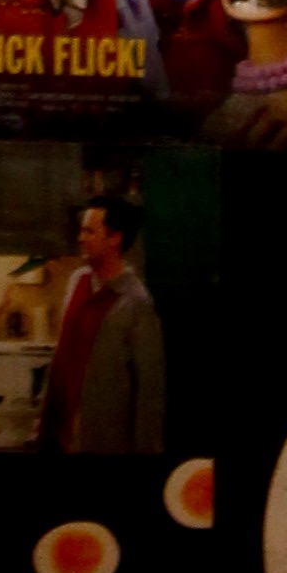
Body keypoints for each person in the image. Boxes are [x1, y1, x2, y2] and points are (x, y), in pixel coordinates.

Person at [43, 187, 164, 453]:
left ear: (114, 239)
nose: (81, 238)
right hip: (61, 437)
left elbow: (149, 391)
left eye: (89, 232)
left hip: (104, 443)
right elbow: (63, 356)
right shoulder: (77, 282)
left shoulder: (136, 302)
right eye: (81, 231)